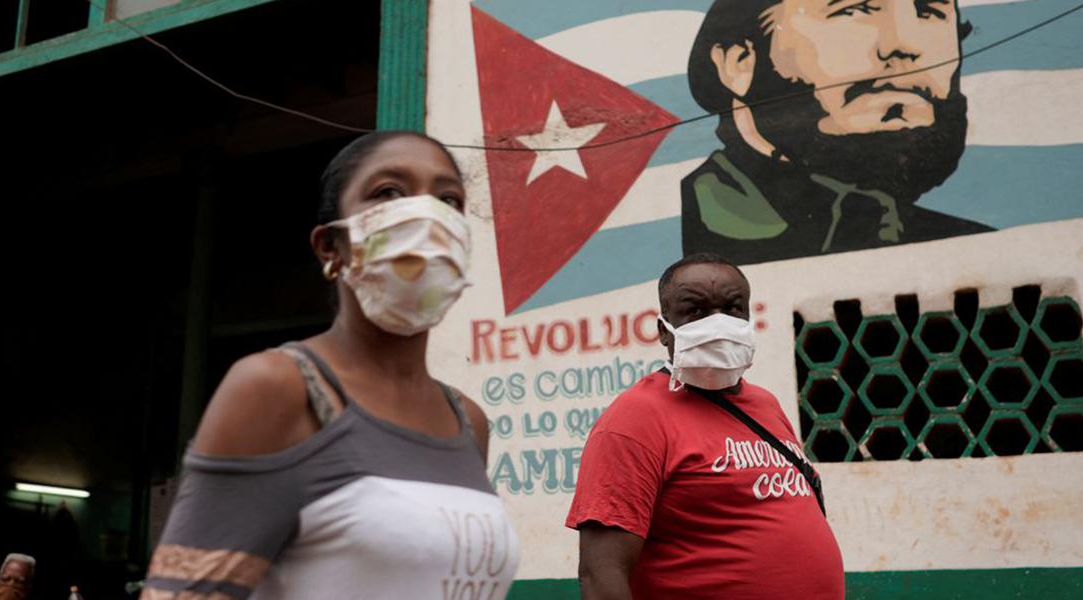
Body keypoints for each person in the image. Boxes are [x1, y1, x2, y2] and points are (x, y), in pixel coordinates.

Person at [142, 131, 520, 599]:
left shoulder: (467, 422)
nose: (427, 215)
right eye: (388, 192)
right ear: (330, 247)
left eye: (449, 199)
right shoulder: (279, 388)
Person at [567, 253, 843, 599]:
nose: (719, 323)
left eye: (732, 308)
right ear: (663, 331)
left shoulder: (765, 405)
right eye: (695, 311)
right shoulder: (635, 419)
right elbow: (601, 572)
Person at [681, 0, 992, 265]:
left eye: (928, 10)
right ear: (739, 63)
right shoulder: (710, 242)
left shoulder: (977, 251)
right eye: (854, 8)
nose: (904, 45)